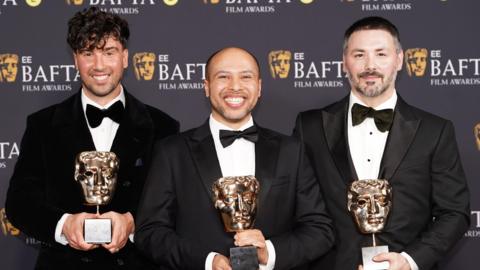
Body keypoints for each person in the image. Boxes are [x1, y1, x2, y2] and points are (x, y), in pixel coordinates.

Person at [5, 7, 179, 270]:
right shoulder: (42, 125)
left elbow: (174, 202)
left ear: (124, 57)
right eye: (88, 53)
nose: (99, 65)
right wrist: (64, 224)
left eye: (108, 52)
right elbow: (19, 202)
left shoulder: (163, 126)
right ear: (75, 59)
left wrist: (132, 221)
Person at [294, 16, 470, 270]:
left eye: (380, 54)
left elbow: (454, 212)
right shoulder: (308, 127)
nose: (370, 66)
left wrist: (410, 261)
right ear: (344, 62)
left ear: (399, 60)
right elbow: (295, 208)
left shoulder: (435, 130)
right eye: (359, 55)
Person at [135, 47, 334, 270]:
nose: (235, 86)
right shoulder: (172, 152)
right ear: (206, 87)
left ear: (259, 88)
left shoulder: (291, 150)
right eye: (223, 77)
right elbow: (150, 232)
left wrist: (270, 253)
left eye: (245, 77)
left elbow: (319, 230)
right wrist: (208, 262)